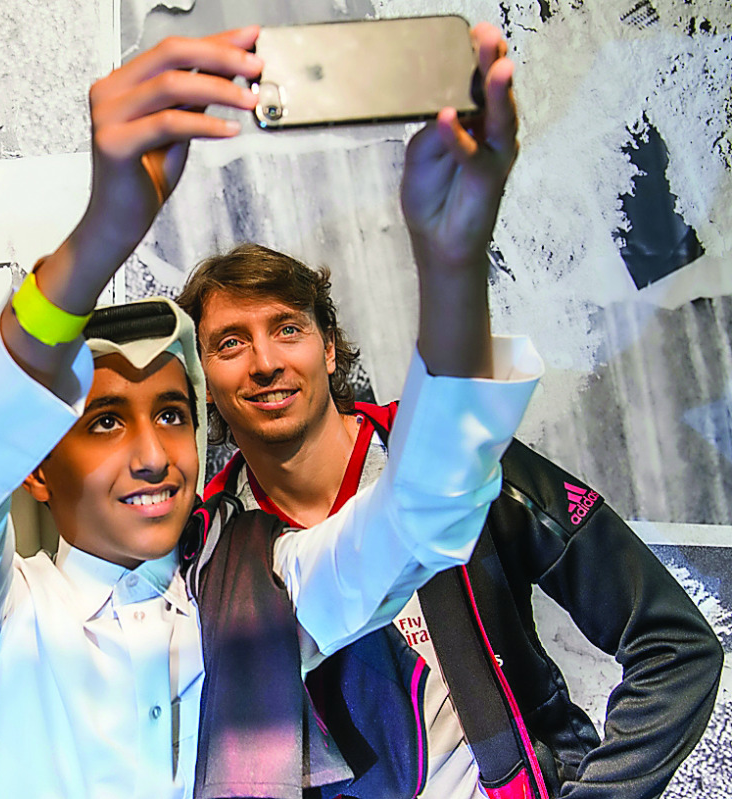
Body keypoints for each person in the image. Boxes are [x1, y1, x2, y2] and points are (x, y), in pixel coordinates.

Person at [0, 23, 543, 799]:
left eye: (170, 414)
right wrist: (103, 231)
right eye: (105, 422)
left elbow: (421, 519)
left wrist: (455, 260)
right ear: (33, 467)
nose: (155, 453)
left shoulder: (254, 597)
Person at [178, 97, 722, 799]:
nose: (264, 361)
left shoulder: (456, 459)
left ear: (329, 346)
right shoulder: (207, 548)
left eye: (287, 328)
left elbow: (674, 644)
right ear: (206, 381)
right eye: (230, 342)